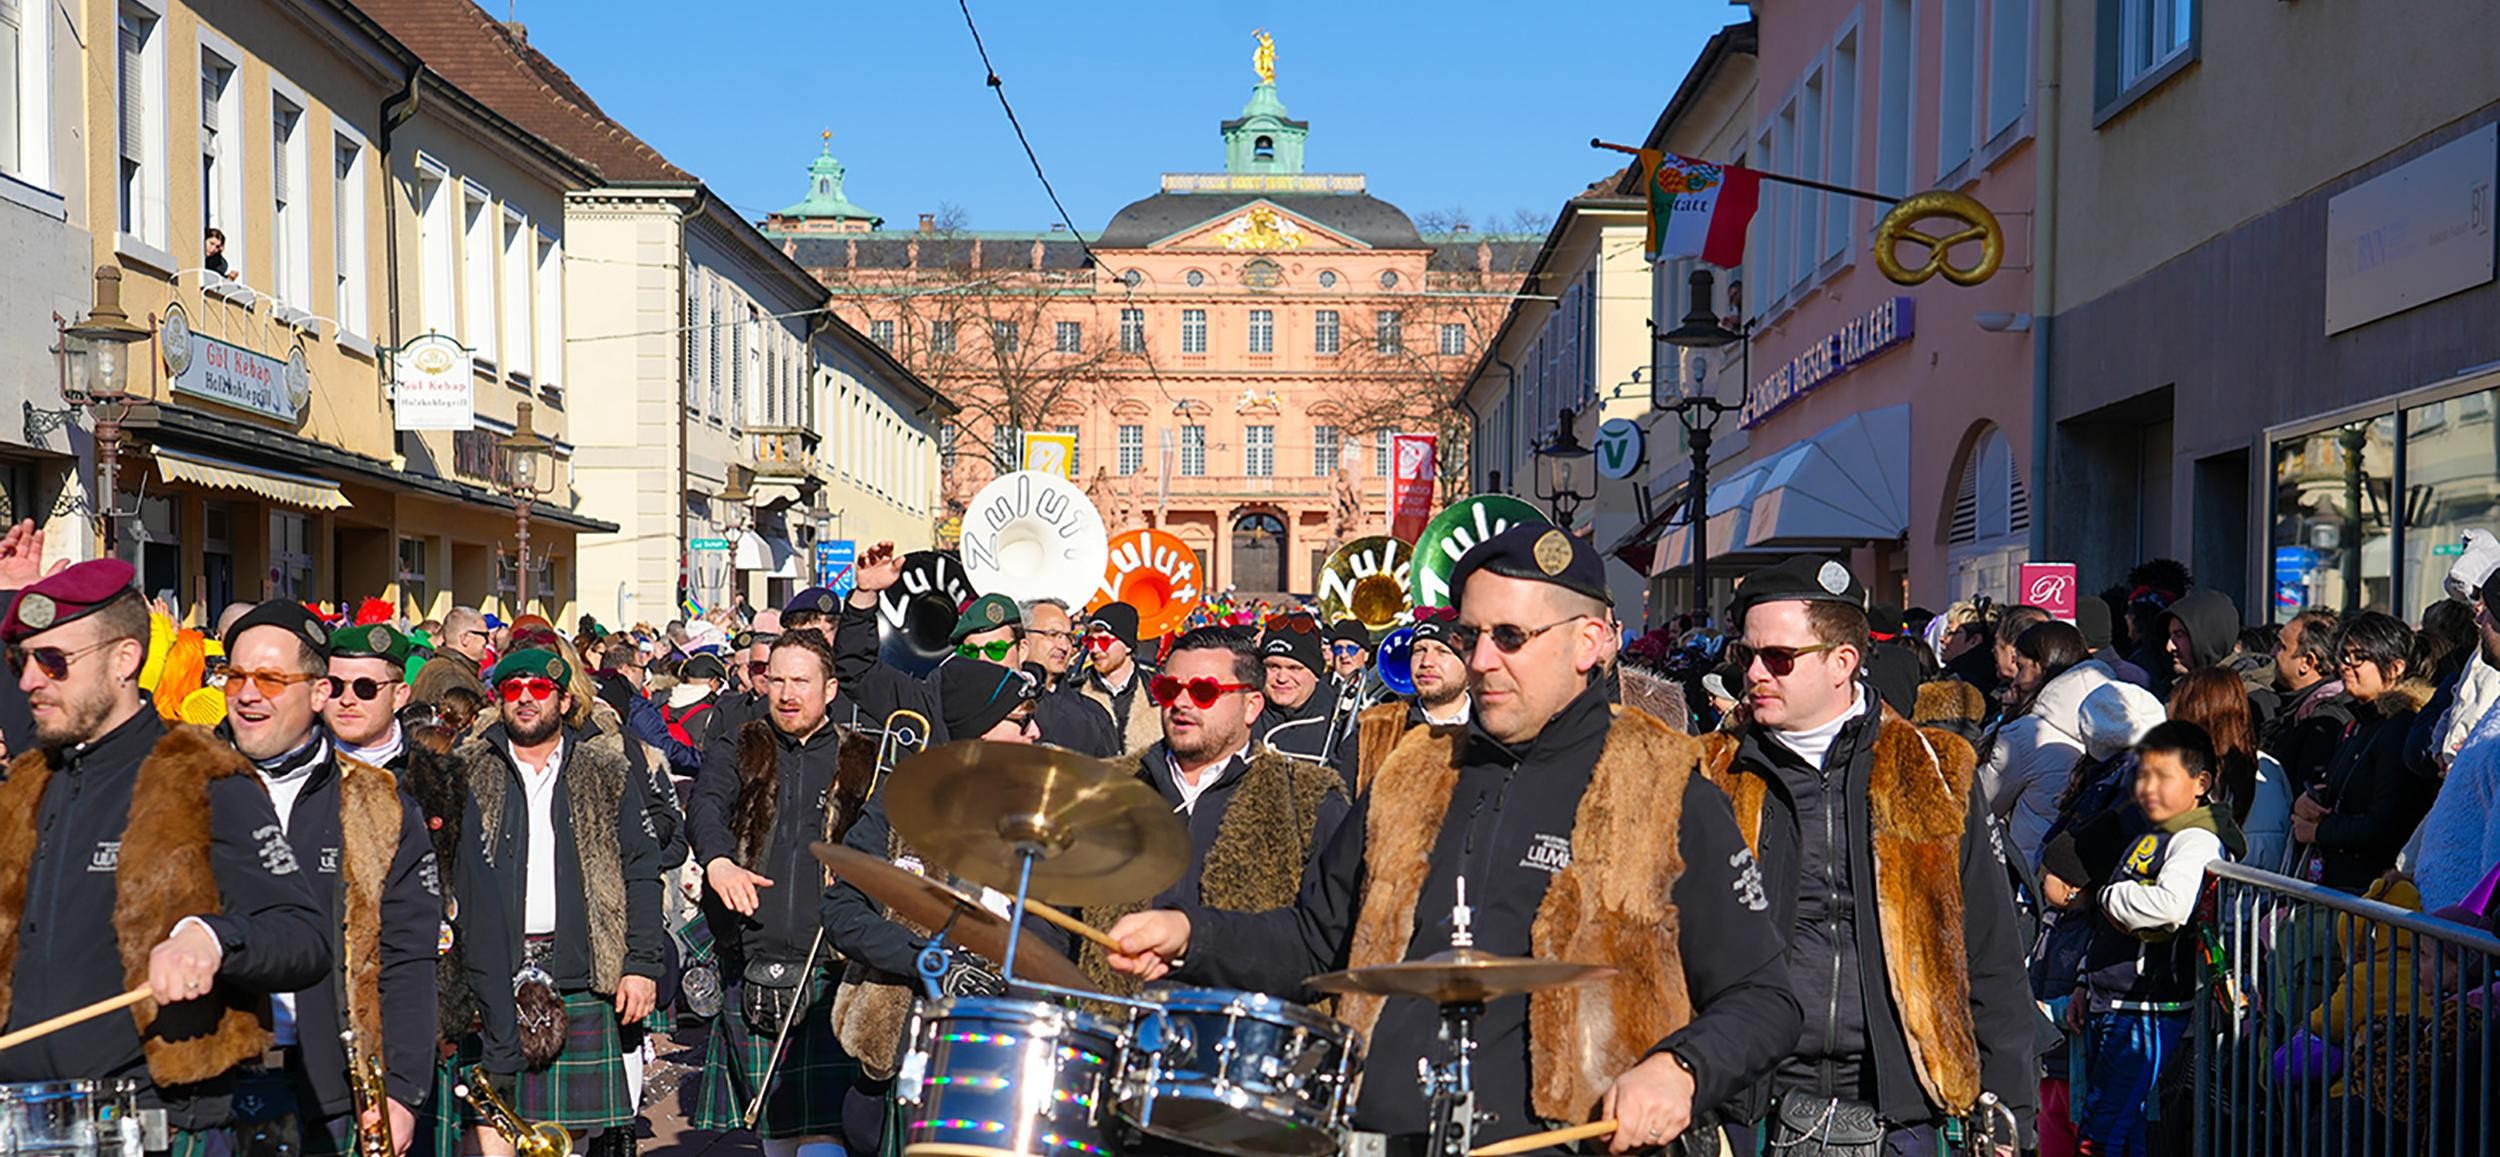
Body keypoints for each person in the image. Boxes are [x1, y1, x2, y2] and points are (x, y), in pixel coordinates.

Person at [1109, 525, 1801, 1154]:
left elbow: (1763, 997)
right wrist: (1192, 935)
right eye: (1473, 637)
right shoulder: (1413, 769)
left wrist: (1680, 1069)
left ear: (1590, 641)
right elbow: (1316, 940)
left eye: (1512, 637)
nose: (1483, 661)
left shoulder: (1665, 785)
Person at [1701, 554, 2037, 1153]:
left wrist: (2012, 1110)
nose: (1754, 673)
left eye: (1778, 657)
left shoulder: (1932, 771)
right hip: (1747, 1108)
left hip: (1903, 1113)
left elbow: (1990, 949)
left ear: (1843, 662)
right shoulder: (1710, 774)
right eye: (1744, 655)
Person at [0, 557, 331, 1153]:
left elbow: (302, 936)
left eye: (52, 661)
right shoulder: (27, 782)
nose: (28, 681)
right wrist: (10, 595)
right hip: (21, 1123)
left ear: (124, 660)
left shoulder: (199, 774)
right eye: (17, 662)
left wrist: (212, 937)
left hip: (150, 1125)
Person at [819, 658, 1071, 1156]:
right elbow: (842, 910)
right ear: (978, 731)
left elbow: (1059, 932)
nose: (1036, 733)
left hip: (1005, 1046)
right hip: (904, 1043)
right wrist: (927, 957)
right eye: (1021, 721)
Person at [219, 602, 441, 1156]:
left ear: (318, 692)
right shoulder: (180, 785)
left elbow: (408, 957)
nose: (248, 694)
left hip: (334, 1083)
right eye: (236, 677)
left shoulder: (378, 803)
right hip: (207, 1083)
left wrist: (403, 1090)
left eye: (271, 679)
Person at [447, 647, 667, 1154]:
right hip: (487, 973)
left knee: (564, 1141)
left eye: (540, 689)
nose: (525, 699)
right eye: (513, 689)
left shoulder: (605, 771)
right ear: (499, 700)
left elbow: (641, 870)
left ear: (564, 701)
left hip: (578, 971)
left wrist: (641, 965)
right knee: (484, 1132)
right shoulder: (465, 770)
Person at [321, 624, 524, 1157]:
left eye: (365, 687)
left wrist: (501, 1040)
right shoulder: (306, 776)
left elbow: (478, 907)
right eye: (335, 686)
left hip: (422, 1024)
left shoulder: (441, 780)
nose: (347, 699)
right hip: (326, 1026)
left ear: (400, 694)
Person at [1073, 626, 1348, 993]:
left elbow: (1324, 947)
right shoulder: (1106, 787)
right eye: (1168, 690)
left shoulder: (1309, 800)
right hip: (1114, 1020)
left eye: (1204, 691)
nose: (1181, 704)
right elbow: (1055, 919)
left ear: (1252, 706)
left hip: (1244, 1022)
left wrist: (1195, 937)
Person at [684, 633, 867, 1154]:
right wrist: (719, 861)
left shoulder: (862, 758)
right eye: (777, 680)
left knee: (827, 1133)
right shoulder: (739, 745)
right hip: (751, 957)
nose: (787, 693)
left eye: (801, 681)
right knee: (776, 1134)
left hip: (831, 967)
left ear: (830, 689)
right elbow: (707, 803)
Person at [2052, 721, 2242, 1157]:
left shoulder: (2196, 838)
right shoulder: (2154, 830)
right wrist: (2083, 981)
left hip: (2146, 1007)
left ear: (2201, 783)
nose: (2148, 788)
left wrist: (2108, 896)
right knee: (2126, 1127)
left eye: (2163, 776)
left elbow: (2171, 907)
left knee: (2102, 1129)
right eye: (2143, 776)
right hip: (2114, 998)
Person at [2289, 612, 2435, 892]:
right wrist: (2309, 801)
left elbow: (2386, 822)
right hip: (2341, 885)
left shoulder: (2400, 726)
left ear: (2395, 667)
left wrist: (2318, 832)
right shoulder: (2361, 722)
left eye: (2358, 657)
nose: (2345, 666)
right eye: (2343, 656)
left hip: (2371, 891)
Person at [1979, 620, 2114, 865]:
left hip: (2030, 867)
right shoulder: (2113, 716)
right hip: (2086, 866)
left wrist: (2003, 721)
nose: (2016, 680)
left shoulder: (2026, 733)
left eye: (2021, 667)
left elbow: (1984, 801)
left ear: (2042, 665)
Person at [1255, 614, 1355, 783]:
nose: (1282, 678)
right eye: (1273, 666)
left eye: (1294, 668)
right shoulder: (1244, 713)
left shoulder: (1340, 719)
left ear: (1315, 674)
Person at [2159, 588, 2279, 728]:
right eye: (2170, 635)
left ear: (2208, 636)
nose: (2170, 647)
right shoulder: (2177, 690)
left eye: (2179, 635)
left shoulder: (2252, 698)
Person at [2263, 609, 2353, 793]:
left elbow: (2305, 792)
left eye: (2282, 646)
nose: (2272, 652)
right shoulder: (2296, 706)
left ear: (2307, 662)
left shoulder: (2323, 720)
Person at [1074, 602, 1159, 755]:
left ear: (1128, 646)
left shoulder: (1158, 691)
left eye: (1104, 641)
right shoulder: (1075, 691)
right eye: (1090, 641)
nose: (1095, 649)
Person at [412, 607, 491, 704]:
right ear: (465, 638)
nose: (488, 641)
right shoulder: (454, 677)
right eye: (485, 635)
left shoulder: (438, 666)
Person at [1325, 618, 1372, 691]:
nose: (1343, 655)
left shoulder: (1375, 686)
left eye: (1351, 649)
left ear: (1366, 655)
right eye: (1338, 649)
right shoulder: (1317, 687)